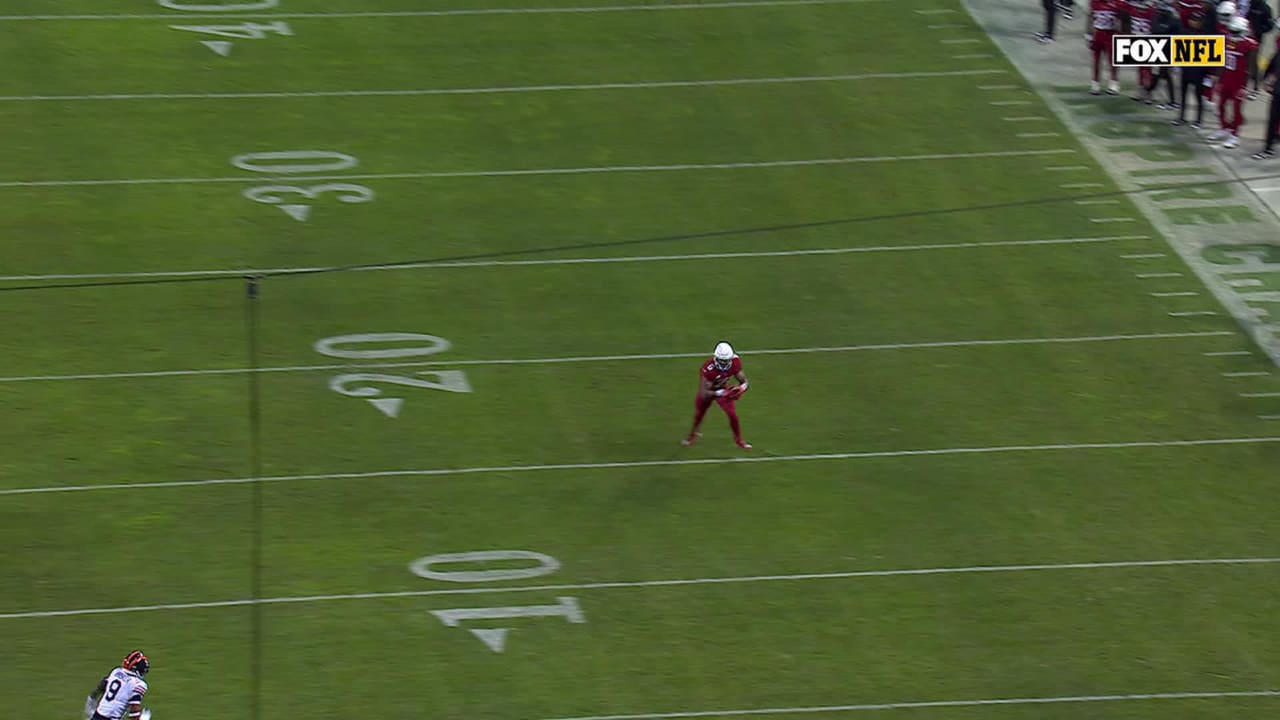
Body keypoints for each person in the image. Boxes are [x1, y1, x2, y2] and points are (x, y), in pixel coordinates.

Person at [682, 341, 751, 450]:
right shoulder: (708, 369)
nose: (724, 363)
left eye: (726, 361)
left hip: (723, 390)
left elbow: (744, 381)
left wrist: (741, 388)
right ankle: (693, 434)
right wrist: (721, 393)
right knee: (699, 415)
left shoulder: (735, 362)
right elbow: (704, 393)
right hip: (712, 392)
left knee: (733, 415)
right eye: (722, 361)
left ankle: (739, 440)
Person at [1208, 15, 1259, 147]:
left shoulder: (1249, 44)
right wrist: (1217, 77)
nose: (1233, 34)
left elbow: (1252, 67)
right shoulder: (1225, 39)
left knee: (1236, 109)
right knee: (1220, 106)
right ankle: (1224, 128)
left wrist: (1251, 87)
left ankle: (1234, 135)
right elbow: (1221, 60)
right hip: (1226, 78)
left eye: (1236, 32)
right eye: (1232, 31)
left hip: (1239, 81)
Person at [1173, 10, 1213, 126]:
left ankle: (1199, 120)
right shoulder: (1185, 33)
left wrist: (1209, 73)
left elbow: (1210, 55)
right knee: (1183, 95)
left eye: (1196, 20)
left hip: (1199, 71)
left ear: (1201, 22)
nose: (1193, 22)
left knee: (1198, 96)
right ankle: (1182, 117)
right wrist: (1176, 64)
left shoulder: (1206, 36)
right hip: (1186, 69)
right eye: (1192, 19)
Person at [85, 651, 149, 720]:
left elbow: (100, 688)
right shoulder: (138, 684)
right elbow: (134, 713)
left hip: (97, 716)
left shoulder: (116, 672)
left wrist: (90, 706)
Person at [1147, 0, 1183, 107]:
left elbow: (1178, 38)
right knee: (1162, 75)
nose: (1162, 12)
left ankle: (1150, 90)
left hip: (1169, 51)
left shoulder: (1174, 21)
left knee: (1164, 75)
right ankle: (1169, 99)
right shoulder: (1157, 19)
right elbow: (1155, 31)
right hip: (1158, 49)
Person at [1251, 34, 1280, 157]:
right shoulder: (1278, 54)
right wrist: (1265, 81)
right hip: (1278, 93)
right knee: (1272, 120)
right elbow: (1270, 67)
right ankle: (1268, 148)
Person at [1089, 0, 1124, 93]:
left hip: (1110, 33)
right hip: (1098, 32)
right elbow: (1091, 17)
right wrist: (1089, 34)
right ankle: (1095, 83)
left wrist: (1120, 33)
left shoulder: (1116, 3)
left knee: (1112, 60)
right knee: (1096, 60)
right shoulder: (1095, 2)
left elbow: (1121, 20)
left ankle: (1114, 83)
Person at [1128, 0, 1160, 100]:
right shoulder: (1132, 8)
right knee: (1140, 68)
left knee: (1148, 68)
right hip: (1138, 41)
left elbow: (1155, 28)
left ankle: (1149, 92)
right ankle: (1141, 90)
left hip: (1148, 41)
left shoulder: (1151, 10)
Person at [1246, 0, 1275, 96]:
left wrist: (1260, 31)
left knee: (1254, 63)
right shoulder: (1251, 4)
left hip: (1257, 39)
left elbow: (1270, 26)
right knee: (1244, 60)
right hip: (1247, 36)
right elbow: (1247, 17)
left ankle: (1256, 87)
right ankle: (1244, 84)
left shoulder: (1266, 9)